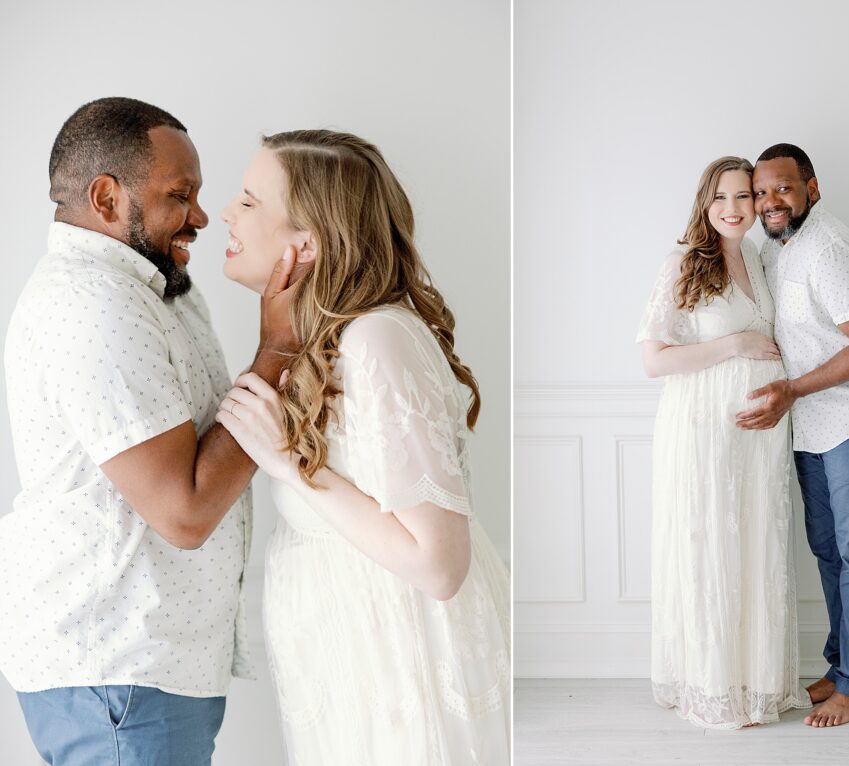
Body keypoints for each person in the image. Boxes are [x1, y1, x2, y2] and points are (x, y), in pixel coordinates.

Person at [0, 97, 300, 765]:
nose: (199, 215)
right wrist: (278, 348)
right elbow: (185, 512)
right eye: (179, 195)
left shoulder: (151, 285)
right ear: (106, 198)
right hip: (119, 673)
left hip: (145, 667)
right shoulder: (94, 308)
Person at [217, 130, 511, 764]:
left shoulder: (376, 341)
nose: (225, 214)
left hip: (408, 662)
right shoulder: (327, 344)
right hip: (353, 658)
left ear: (306, 243)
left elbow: (440, 565)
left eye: (247, 201)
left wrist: (290, 468)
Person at [738, 143, 849, 727]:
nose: (770, 202)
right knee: (830, 550)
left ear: (812, 187)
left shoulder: (829, 249)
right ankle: (840, 668)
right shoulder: (777, 246)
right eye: (761, 192)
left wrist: (791, 390)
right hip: (812, 423)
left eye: (783, 188)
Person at [636, 156, 811, 729]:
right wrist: (734, 344)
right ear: (704, 205)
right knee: (710, 543)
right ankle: (710, 686)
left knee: (753, 545)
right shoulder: (685, 262)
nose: (735, 209)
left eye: (744, 197)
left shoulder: (761, 259)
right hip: (703, 430)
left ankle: (754, 681)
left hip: (756, 436)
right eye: (722, 198)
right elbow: (653, 360)